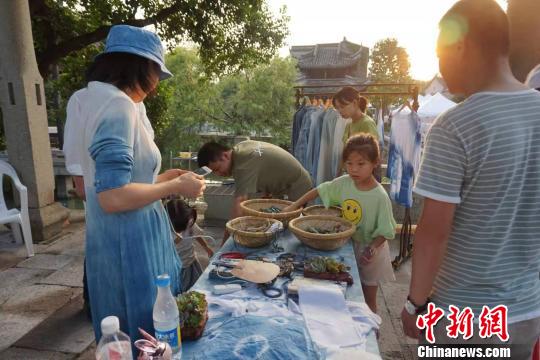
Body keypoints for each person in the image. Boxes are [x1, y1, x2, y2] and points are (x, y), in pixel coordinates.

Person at [400, 0, 540, 357]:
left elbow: (434, 232)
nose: (440, 67)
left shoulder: (456, 126)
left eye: (439, 53)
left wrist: (415, 305)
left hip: (463, 317)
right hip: (524, 313)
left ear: (460, 45)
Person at [66, 25, 206, 345]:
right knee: (145, 323)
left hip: (112, 237)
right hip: (131, 241)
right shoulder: (119, 106)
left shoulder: (88, 99)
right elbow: (113, 197)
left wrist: (164, 179)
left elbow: (113, 183)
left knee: (122, 325)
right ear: (141, 66)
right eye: (157, 73)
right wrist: (175, 189)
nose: (156, 85)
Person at [285, 134, 396, 313]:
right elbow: (319, 190)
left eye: (361, 164)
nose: (354, 169)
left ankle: (372, 331)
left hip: (372, 251)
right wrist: (294, 205)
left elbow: (386, 230)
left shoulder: (380, 197)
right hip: (349, 244)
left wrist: (373, 248)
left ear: (375, 163)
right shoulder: (345, 183)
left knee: (368, 297)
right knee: (350, 291)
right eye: (349, 163)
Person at [197, 140, 313, 243]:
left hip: (297, 187)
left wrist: (224, 244)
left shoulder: (243, 164)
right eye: (214, 172)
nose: (219, 174)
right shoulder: (240, 147)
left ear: (225, 155)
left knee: (291, 235)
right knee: (276, 228)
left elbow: (239, 205)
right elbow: (264, 167)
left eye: (217, 169)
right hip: (283, 188)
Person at [165, 198, 214, 292]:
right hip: (177, 268)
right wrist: (174, 242)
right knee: (180, 290)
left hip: (191, 262)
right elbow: (163, 250)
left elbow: (197, 235)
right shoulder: (166, 231)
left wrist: (206, 247)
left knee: (196, 285)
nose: (184, 231)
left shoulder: (189, 222)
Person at [333, 87, 379, 177]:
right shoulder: (349, 125)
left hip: (364, 177)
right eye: (337, 108)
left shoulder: (367, 123)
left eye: (342, 107)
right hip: (352, 174)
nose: (339, 111)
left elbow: (372, 156)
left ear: (354, 103)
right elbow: (345, 154)